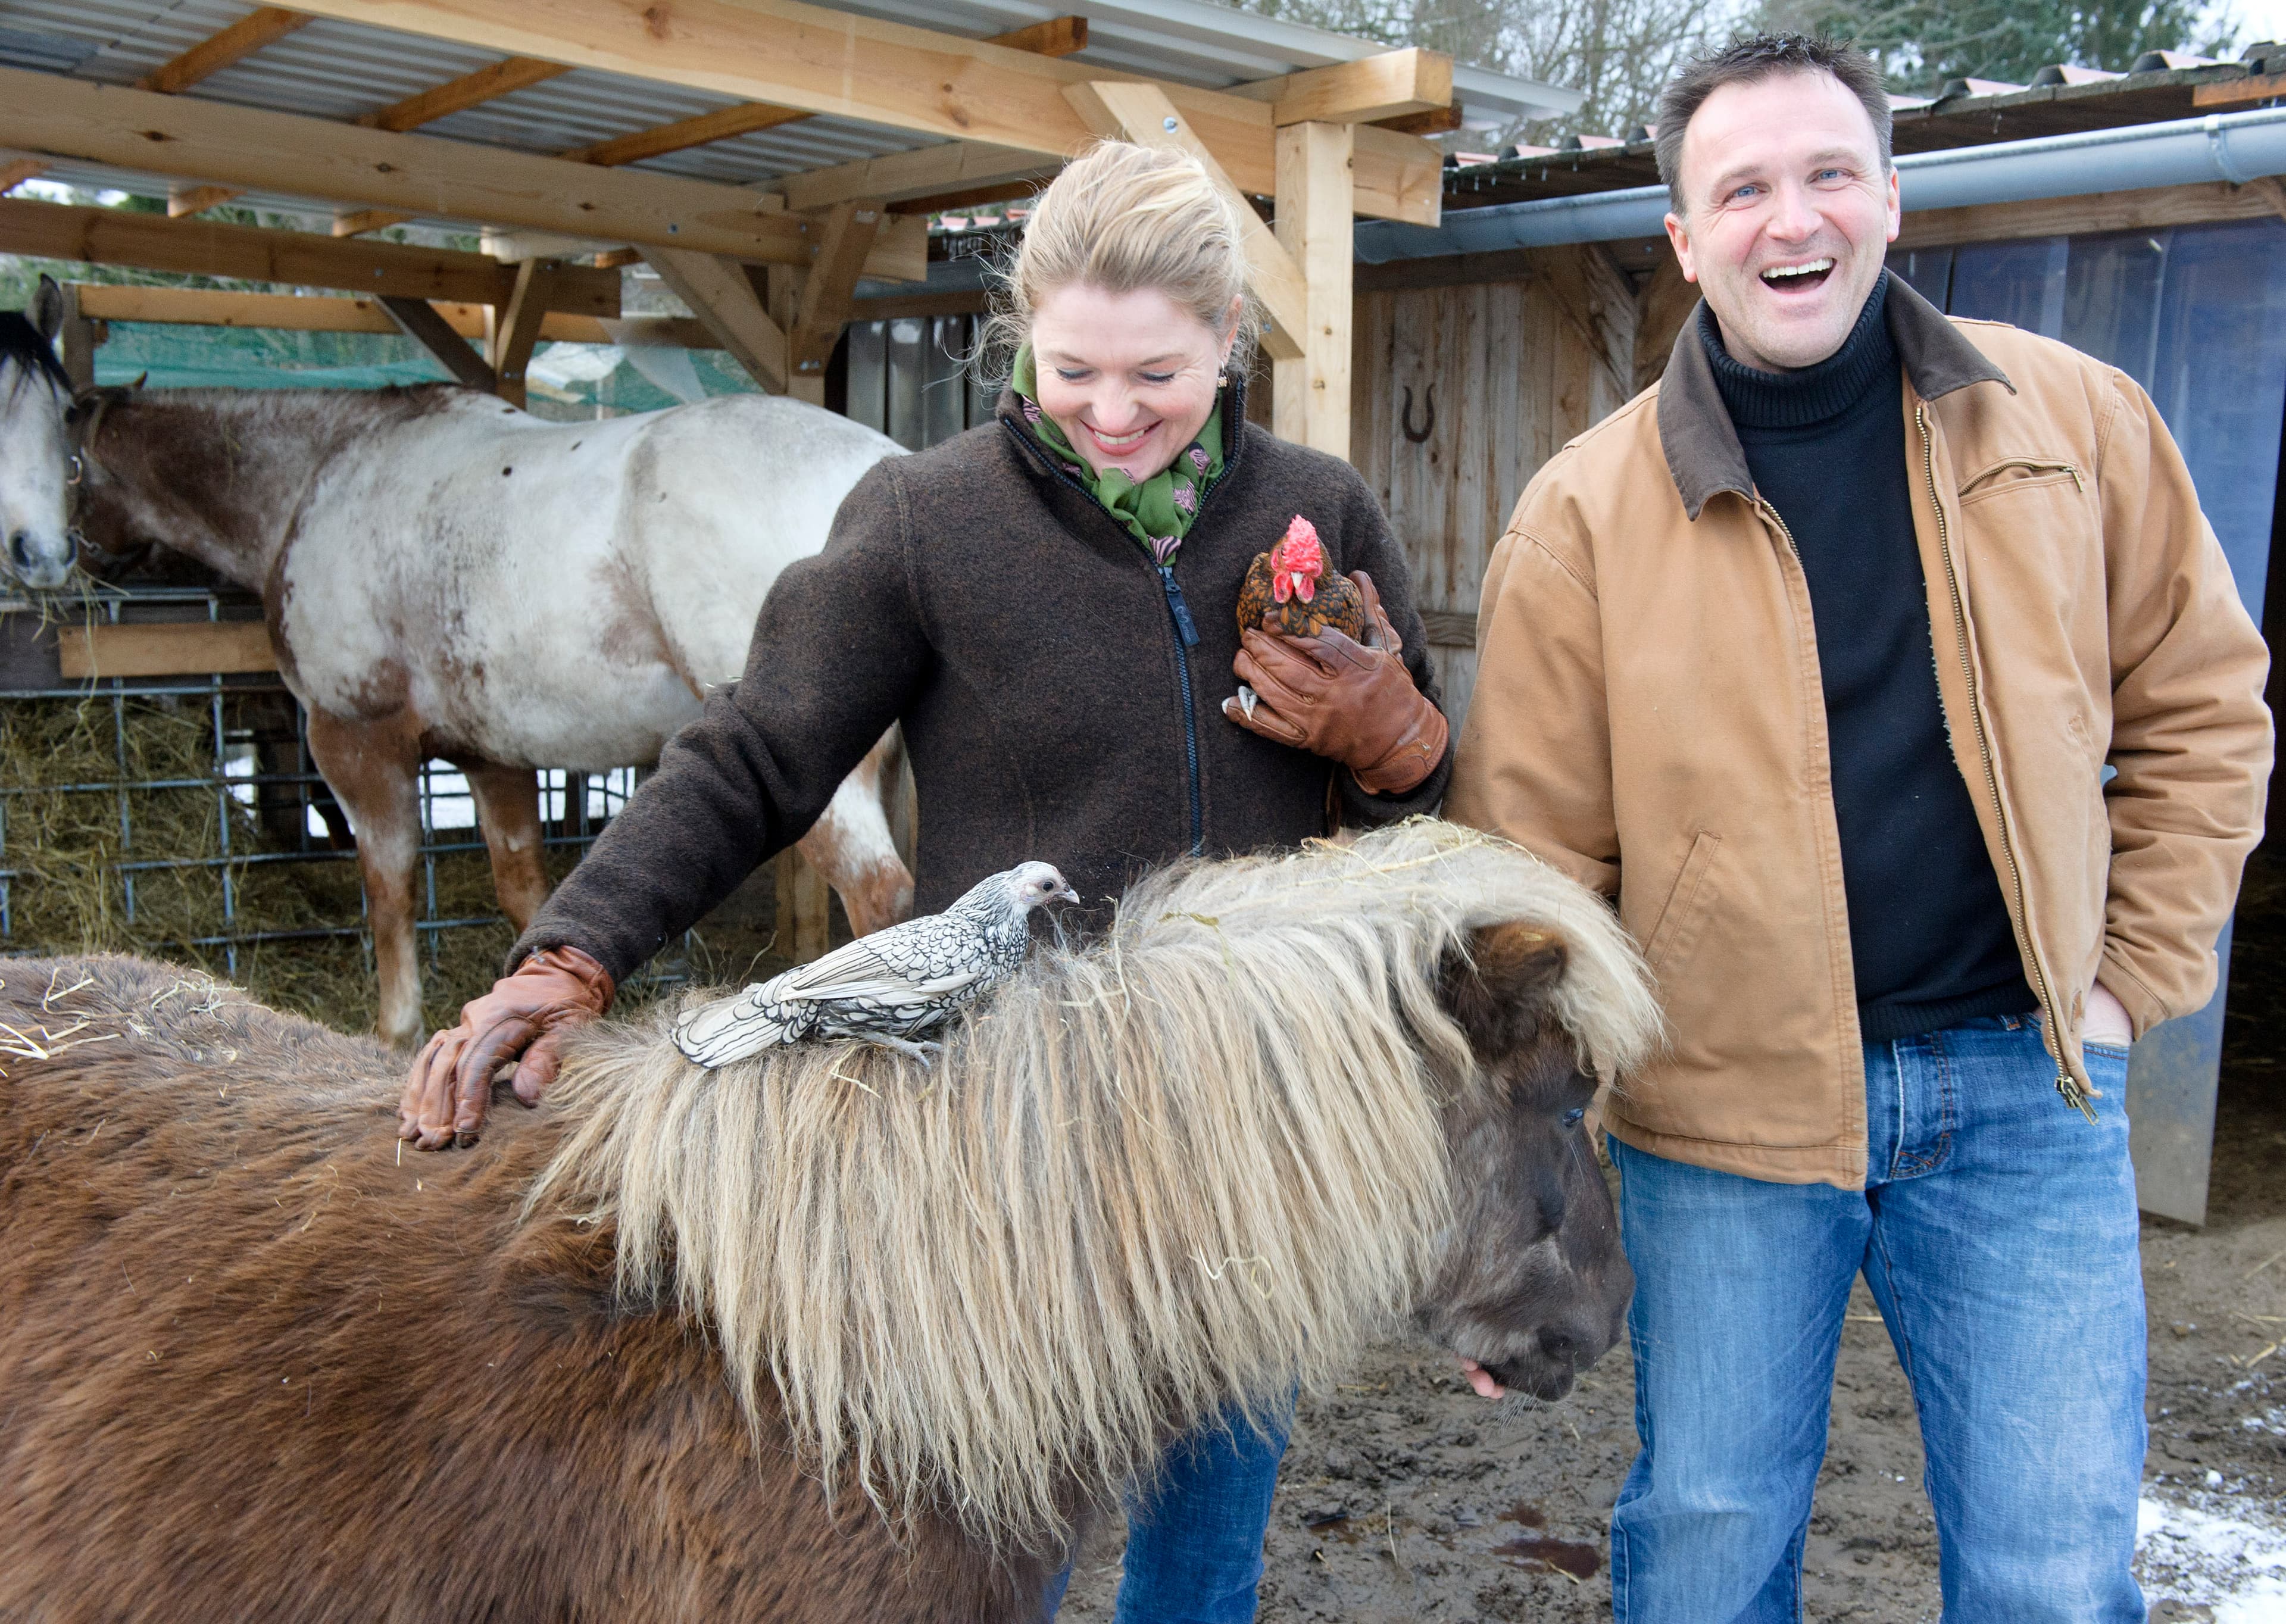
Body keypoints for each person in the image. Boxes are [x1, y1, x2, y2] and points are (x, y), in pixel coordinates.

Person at [396, 139, 1451, 1623]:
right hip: (1018, 1137)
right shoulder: (931, 519)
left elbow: (1420, 824)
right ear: (1024, 337)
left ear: (1229, 337)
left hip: (1250, 1125)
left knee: (1207, 1542)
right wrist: (574, 951)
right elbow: (758, 753)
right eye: (1074, 371)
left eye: (1156, 374)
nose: (1112, 414)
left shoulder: (1319, 509)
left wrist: (1401, 747)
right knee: (992, 1543)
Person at [1445, 33, 2271, 1624]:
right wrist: (1514, 1217)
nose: (1792, 218)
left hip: (2026, 1092)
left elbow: (2207, 709)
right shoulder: (1584, 516)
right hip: (1721, 1120)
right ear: (1686, 239)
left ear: (1891, 198)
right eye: (1742, 188)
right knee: (1707, 1548)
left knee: (2053, 1569)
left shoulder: (2076, 426)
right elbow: (1528, 886)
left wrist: (2123, 986)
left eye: (1829, 173)